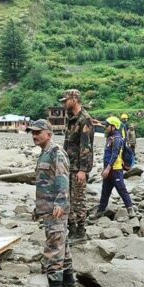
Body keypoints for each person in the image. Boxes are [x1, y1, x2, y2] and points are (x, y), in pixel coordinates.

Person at [29, 119, 73, 287]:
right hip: (47, 207)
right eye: (32, 132)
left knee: (54, 247)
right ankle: (69, 282)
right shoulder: (44, 153)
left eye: (38, 132)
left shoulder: (56, 153)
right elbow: (44, 182)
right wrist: (38, 207)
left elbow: (62, 178)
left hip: (56, 209)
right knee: (63, 244)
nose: (34, 136)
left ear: (49, 133)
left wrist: (60, 202)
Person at [60, 89, 94, 244]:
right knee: (68, 199)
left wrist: (83, 170)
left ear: (74, 99)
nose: (63, 103)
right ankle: (72, 229)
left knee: (78, 200)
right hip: (69, 166)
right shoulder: (71, 119)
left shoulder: (84, 119)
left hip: (78, 168)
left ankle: (81, 231)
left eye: (65, 100)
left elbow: (85, 147)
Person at [95, 117, 136, 218]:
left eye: (108, 126)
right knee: (105, 191)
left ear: (114, 127)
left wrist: (108, 168)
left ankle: (130, 209)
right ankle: (100, 211)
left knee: (121, 189)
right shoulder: (110, 137)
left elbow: (115, 154)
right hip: (108, 169)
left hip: (115, 169)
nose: (106, 127)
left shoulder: (117, 138)